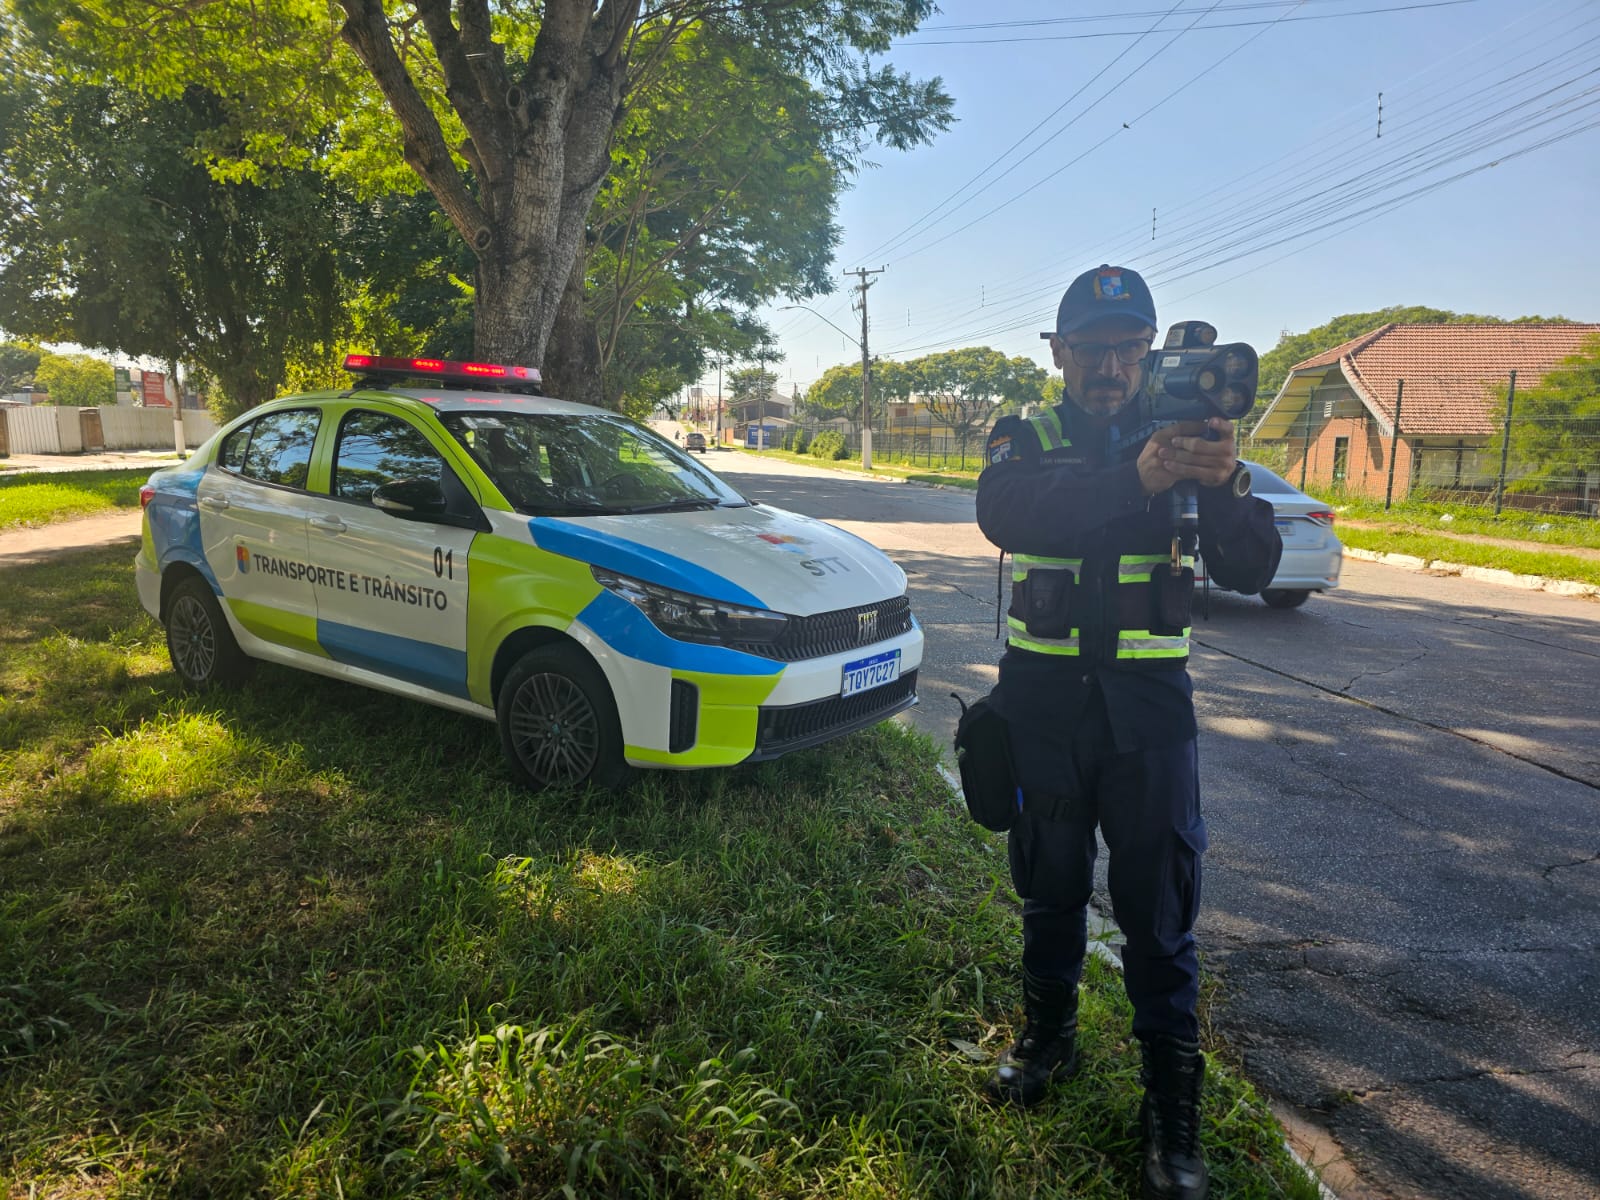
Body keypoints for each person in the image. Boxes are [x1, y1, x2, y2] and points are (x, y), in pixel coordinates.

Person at [974, 264, 1281, 1200]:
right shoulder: (1025, 435)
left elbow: (1254, 567)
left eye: (1128, 348)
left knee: (1159, 919)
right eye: (1092, 349)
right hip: (1045, 709)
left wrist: (1223, 485)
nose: (1110, 367)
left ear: (1149, 351)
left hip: (1149, 716)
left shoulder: (1191, 436)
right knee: (1050, 890)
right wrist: (1132, 479)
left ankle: (1171, 1119)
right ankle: (1049, 1042)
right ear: (1058, 352)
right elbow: (1005, 514)